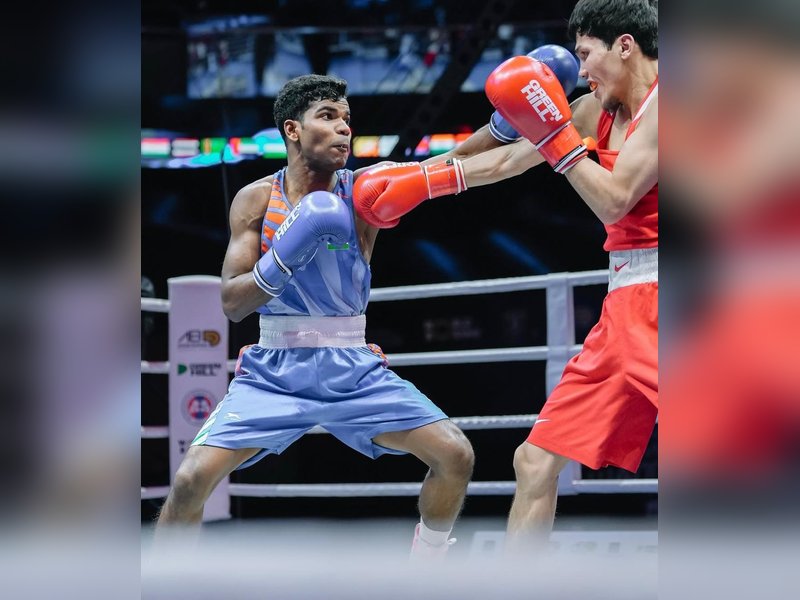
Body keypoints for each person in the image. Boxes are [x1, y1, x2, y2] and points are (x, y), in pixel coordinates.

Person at [354, 0, 658, 552]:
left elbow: (615, 201)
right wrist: (415, 182)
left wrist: (557, 139)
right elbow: (507, 160)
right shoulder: (595, 111)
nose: (580, 71)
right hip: (625, 305)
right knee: (535, 459)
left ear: (625, 44)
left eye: (586, 55)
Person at [155, 74, 475, 558]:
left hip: (353, 367)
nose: (344, 128)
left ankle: (427, 568)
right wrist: (285, 254)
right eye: (328, 116)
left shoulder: (366, 192)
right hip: (274, 372)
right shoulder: (257, 199)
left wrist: (509, 126)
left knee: (455, 454)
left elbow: (454, 163)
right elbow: (232, 303)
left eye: (347, 119)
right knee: (189, 480)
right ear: (293, 130)